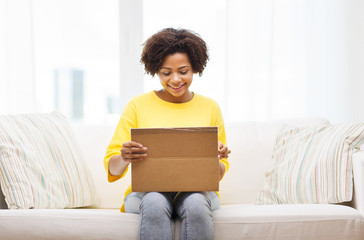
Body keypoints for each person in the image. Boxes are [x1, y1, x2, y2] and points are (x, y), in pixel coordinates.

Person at [104, 28, 231, 240]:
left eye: (183, 71)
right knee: (154, 201)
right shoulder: (137, 105)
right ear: (156, 71)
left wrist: (215, 158)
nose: (175, 79)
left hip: (197, 193)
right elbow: (113, 168)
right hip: (146, 194)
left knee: (196, 204)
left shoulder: (210, 107)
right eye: (166, 73)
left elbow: (218, 174)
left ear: (195, 69)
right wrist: (125, 157)